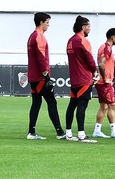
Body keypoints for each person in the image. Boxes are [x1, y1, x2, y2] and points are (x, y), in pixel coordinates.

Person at [26, 12, 66, 140]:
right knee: (51, 102)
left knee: (36, 103)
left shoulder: (32, 36)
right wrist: (46, 75)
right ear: (41, 22)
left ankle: (31, 132)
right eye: (47, 22)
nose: (48, 25)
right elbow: (41, 57)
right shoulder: (39, 37)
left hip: (33, 76)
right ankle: (60, 132)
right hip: (40, 77)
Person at [65, 15, 99, 142]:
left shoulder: (70, 40)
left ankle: (68, 133)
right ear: (83, 27)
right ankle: (81, 134)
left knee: (72, 105)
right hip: (84, 78)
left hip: (74, 78)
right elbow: (89, 60)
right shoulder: (83, 40)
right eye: (88, 26)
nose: (89, 29)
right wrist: (95, 71)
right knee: (82, 106)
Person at [91, 27, 115, 140]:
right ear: (112, 37)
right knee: (112, 105)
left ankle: (97, 130)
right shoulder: (107, 48)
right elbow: (101, 64)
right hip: (104, 83)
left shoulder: (104, 47)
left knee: (104, 106)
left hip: (102, 82)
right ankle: (114, 131)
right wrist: (106, 78)